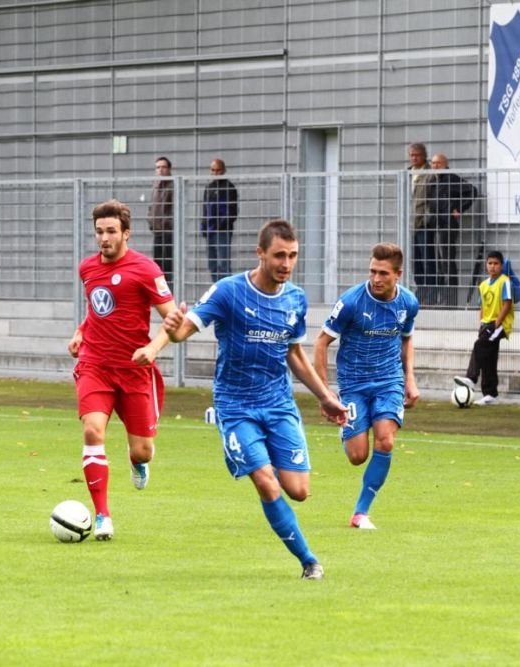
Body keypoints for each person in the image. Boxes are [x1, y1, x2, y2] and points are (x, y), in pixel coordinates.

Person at [162, 219, 348, 580]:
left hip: (278, 404)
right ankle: (309, 561)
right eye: (279, 255)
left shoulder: (295, 298)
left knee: (299, 491)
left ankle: (259, 456)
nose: (286, 263)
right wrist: (174, 330)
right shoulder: (228, 291)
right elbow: (186, 328)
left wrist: (325, 397)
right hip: (235, 405)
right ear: (260, 253)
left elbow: (294, 353)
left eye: (292, 255)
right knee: (266, 482)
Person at [67, 199, 177, 541]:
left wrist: (152, 348)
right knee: (92, 431)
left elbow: (174, 319)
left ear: (126, 233)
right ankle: (103, 515)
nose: (104, 238)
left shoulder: (146, 270)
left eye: (111, 231)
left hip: (134, 370)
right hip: (95, 365)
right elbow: (95, 310)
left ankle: (138, 461)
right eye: (99, 232)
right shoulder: (87, 268)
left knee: (142, 449)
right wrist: (80, 331)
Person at [313, 242, 420, 531]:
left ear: (398, 274)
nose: (375, 278)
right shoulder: (351, 302)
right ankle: (348, 430)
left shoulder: (408, 303)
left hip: (389, 381)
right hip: (354, 384)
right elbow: (321, 343)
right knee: (357, 456)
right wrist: (325, 393)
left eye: (383, 273)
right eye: (372, 271)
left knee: (385, 440)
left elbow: (406, 339)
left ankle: (361, 513)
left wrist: (409, 378)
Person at [453, 250, 514, 406]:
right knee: (489, 358)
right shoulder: (483, 285)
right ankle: (491, 394)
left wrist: (497, 323)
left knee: (479, 346)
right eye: (490, 263)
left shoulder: (505, 281)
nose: (492, 266)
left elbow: (507, 304)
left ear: (501, 266)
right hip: (486, 324)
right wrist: (481, 323)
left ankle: (471, 378)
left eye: (496, 263)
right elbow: (482, 307)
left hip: (499, 324)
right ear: (486, 265)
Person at [425, 153, 476, 307]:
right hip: (436, 224)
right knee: (438, 263)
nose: (435, 166)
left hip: (447, 225)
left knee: (447, 261)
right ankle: (441, 298)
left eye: (438, 163)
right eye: (433, 163)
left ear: (445, 165)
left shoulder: (451, 178)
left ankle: (451, 301)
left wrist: (459, 208)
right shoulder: (433, 181)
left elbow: (472, 191)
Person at [201, 158, 239, 283]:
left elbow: (232, 212)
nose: (215, 173)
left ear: (223, 170)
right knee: (212, 265)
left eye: (218, 170)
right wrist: (204, 226)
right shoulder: (209, 188)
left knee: (224, 264)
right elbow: (205, 209)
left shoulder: (229, 188)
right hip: (210, 231)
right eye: (213, 170)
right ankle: (218, 289)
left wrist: (219, 225)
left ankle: (227, 290)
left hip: (222, 231)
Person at [408, 143, 436, 305]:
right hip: (412, 223)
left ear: (424, 155)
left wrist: (427, 217)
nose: (414, 158)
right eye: (412, 155)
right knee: (415, 260)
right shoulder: (408, 173)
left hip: (424, 223)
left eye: (417, 155)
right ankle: (421, 291)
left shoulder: (430, 173)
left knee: (428, 259)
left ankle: (431, 294)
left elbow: (434, 198)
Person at [146, 156, 174, 291]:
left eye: (163, 167)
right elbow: (152, 206)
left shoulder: (173, 186)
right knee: (157, 266)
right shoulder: (155, 185)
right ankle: (161, 294)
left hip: (169, 232)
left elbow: (174, 209)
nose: (160, 170)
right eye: (158, 167)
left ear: (169, 169)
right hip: (157, 231)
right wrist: (151, 221)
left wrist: (168, 223)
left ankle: (170, 294)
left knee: (169, 265)